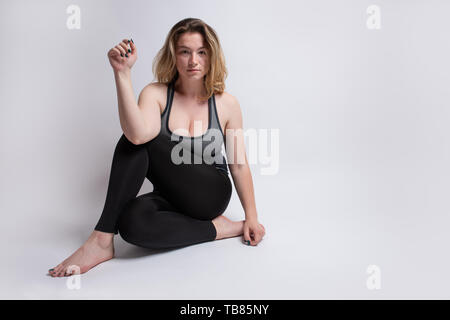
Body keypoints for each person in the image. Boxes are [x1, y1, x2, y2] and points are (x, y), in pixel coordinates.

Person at [48, 18, 266, 277]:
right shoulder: (156, 94)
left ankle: (101, 238)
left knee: (142, 139)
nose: (193, 61)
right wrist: (122, 73)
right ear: (174, 56)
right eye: (185, 52)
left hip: (210, 192)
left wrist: (252, 216)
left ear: (212, 56)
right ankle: (220, 229)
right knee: (131, 223)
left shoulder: (226, 104)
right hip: (172, 196)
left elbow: (239, 164)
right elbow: (136, 135)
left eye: (201, 52)